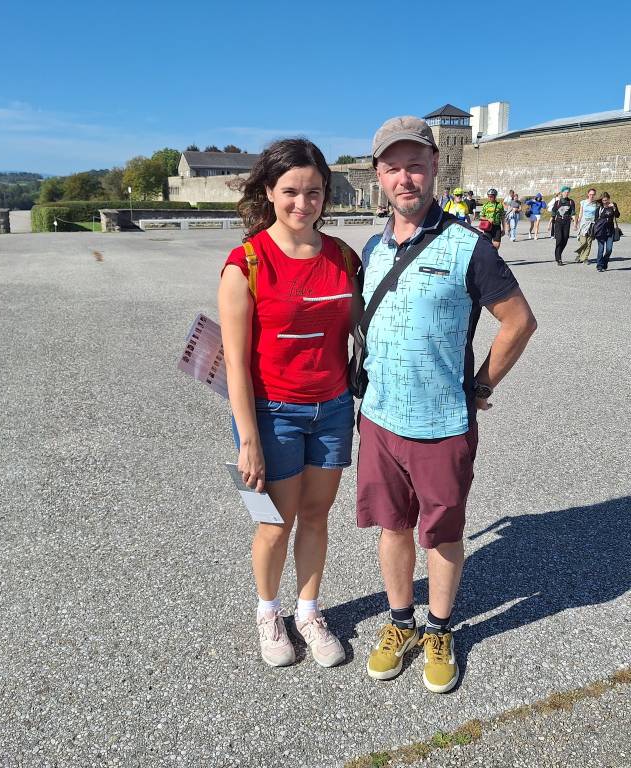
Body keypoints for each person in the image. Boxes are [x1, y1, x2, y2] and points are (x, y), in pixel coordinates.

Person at [358, 116, 538, 694]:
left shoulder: (468, 247)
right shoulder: (371, 248)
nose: (404, 178)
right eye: (393, 168)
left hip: (441, 423)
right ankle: (399, 621)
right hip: (380, 419)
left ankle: (439, 627)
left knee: (441, 533)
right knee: (392, 528)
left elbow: (519, 322)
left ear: (435, 167)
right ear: (378, 176)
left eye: (415, 165)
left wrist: (481, 386)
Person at [218, 138, 359, 670]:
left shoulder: (342, 257)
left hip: (332, 408)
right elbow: (234, 362)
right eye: (291, 192)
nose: (303, 204)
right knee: (273, 522)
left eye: (314, 192)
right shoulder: (246, 263)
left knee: (317, 516)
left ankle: (308, 611)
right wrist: (247, 438)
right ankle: (268, 612)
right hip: (272, 413)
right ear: (269, 193)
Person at [593, 192, 620, 271]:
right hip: (601, 231)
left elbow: (617, 215)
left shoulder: (613, 205)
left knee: (609, 249)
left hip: (610, 230)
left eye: (606, 200)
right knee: (601, 249)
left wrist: (614, 208)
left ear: (609, 199)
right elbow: (595, 219)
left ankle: (604, 262)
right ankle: (599, 265)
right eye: (603, 200)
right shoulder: (599, 208)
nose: (605, 202)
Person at [549, 186, 576, 265]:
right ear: (562, 192)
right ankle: (559, 258)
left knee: (565, 239)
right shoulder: (557, 202)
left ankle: (559, 253)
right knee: (559, 239)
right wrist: (550, 223)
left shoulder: (571, 202)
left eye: (568, 192)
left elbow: (573, 213)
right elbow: (553, 213)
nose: (566, 193)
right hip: (558, 222)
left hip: (567, 222)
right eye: (565, 192)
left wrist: (575, 223)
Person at [573, 188, 600, 264]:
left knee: (589, 242)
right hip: (584, 224)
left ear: (594, 195)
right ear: (588, 194)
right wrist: (576, 224)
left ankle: (585, 258)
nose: (591, 196)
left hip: (592, 224)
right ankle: (579, 254)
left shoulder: (596, 204)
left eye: (593, 194)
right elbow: (580, 214)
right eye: (590, 194)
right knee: (583, 241)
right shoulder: (583, 202)